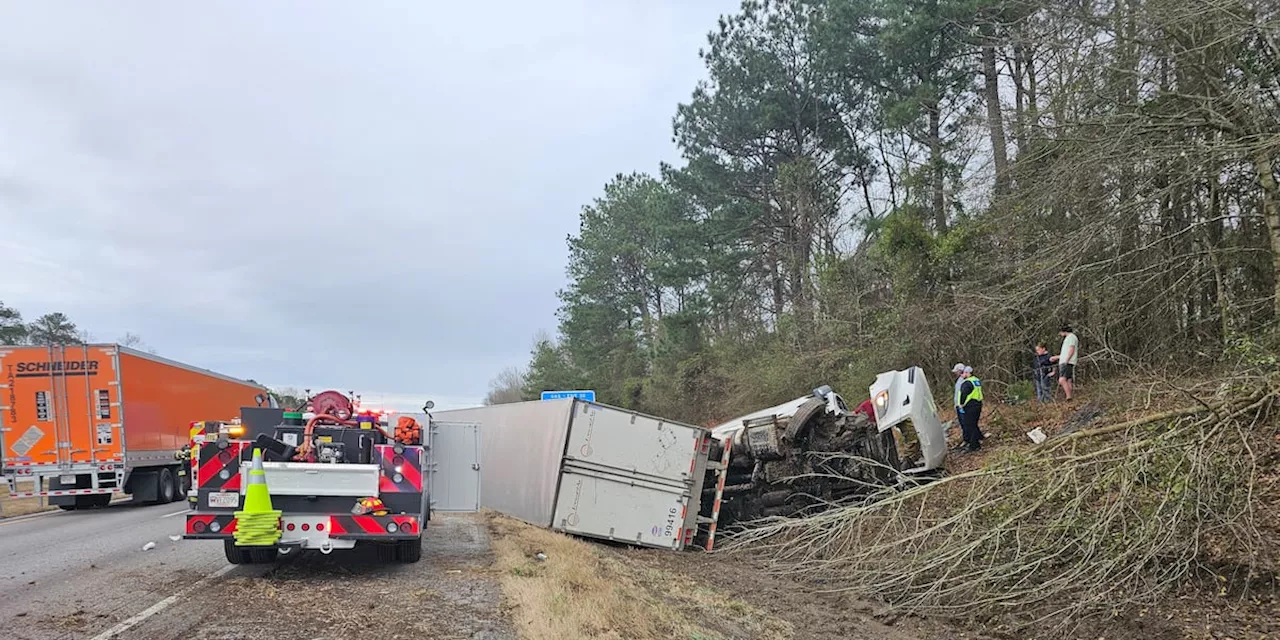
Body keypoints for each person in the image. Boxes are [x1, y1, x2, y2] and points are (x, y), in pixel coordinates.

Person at [957, 367, 984, 452]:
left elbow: (964, 393)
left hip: (970, 406)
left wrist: (961, 404)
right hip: (978, 404)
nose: (962, 375)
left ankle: (973, 445)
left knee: (969, 425)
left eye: (964, 373)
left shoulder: (967, 382)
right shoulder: (976, 380)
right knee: (974, 424)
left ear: (968, 373)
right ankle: (976, 443)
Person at [1050, 325, 1079, 401]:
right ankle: (1069, 397)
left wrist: (1066, 360)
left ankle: (1068, 397)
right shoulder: (1069, 338)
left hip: (1066, 362)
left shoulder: (1071, 337)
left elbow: (1071, 349)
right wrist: (1056, 357)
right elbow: (1065, 352)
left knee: (1062, 379)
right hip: (1065, 361)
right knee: (1068, 379)